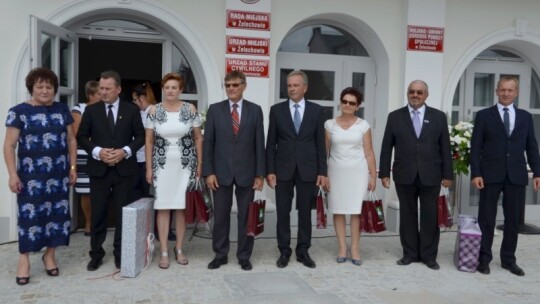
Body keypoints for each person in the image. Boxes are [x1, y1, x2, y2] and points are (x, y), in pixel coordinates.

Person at [3, 67, 77, 285]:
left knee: (58, 217)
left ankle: (50, 255)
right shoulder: (18, 111)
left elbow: (72, 140)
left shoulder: (63, 109)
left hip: (59, 175)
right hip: (30, 177)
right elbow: (9, 145)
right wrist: (12, 175)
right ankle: (24, 260)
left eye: (49, 86)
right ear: (32, 88)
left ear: (54, 89)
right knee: (30, 218)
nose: (45, 90)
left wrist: (73, 168)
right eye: (40, 86)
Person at [379, 80, 453, 270]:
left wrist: (448, 174)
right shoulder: (395, 117)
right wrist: (384, 173)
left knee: (430, 216)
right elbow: (387, 146)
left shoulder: (438, 117)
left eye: (420, 92)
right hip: (405, 174)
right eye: (412, 91)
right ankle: (410, 253)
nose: (415, 95)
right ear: (407, 93)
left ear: (426, 95)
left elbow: (445, 147)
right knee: (407, 215)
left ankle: (429, 256)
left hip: (431, 174)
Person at [470, 76, 540, 276]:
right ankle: (483, 259)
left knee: (513, 220)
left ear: (516, 92)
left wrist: (537, 171)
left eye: (510, 90)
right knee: (486, 219)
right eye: (503, 90)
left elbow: (531, 146)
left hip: (516, 175)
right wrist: (476, 172)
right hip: (490, 174)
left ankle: (508, 259)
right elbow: (476, 147)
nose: (506, 93)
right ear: (496, 91)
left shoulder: (525, 117)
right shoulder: (484, 115)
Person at [77, 70, 145, 271]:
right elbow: (81, 136)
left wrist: (125, 151)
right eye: (101, 88)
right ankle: (96, 254)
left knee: (123, 214)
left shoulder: (131, 110)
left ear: (118, 89)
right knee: (98, 214)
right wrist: (97, 151)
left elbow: (140, 137)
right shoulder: (91, 110)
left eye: (107, 89)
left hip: (124, 171)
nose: (103, 92)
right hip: (99, 170)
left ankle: (120, 254)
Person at [203, 71, 265, 271]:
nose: (231, 88)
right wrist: (209, 172)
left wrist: (259, 174)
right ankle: (220, 254)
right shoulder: (214, 110)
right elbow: (208, 143)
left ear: (244, 86)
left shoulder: (255, 110)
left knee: (246, 217)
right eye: (228, 85)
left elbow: (259, 144)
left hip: (247, 172)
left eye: (235, 85)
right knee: (221, 216)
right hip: (220, 173)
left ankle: (244, 256)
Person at [266, 70, 328, 269]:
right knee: (283, 212)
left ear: (305, 87)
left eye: (295, 85)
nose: (291, 88)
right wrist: (270, 170)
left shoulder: (317, 111)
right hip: (282, 169)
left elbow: (320, 144)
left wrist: (322, 172)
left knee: (304, 213)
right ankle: (284, 250)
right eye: (289, 85)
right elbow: (271, 143)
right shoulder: (276, 110)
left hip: (308, 170)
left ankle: (303, 251)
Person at [145, 72, 202, 269]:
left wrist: (199, 165)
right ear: (163, 89)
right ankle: (163, 251)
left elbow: (197, 138)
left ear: (180, 90)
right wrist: (149, 168)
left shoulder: (190, 108)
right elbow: (149, 141)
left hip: (185, 164)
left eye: (174, 88)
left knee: (180, 207)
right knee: (163, 206)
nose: (170, 91)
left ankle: (179, 248)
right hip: (161, 165)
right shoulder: (154, 110)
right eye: (167, 87)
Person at [324, 87, 376, 266]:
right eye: (344, 101)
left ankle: (354, 248)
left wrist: (373, 176)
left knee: (356, 211)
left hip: (358, 173)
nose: (347, 105)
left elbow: (369, 153)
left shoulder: (364, 125)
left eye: (351, 103)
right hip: (335, 172)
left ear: (358, 106)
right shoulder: (329, 124)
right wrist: (323, 175)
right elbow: (325, 152)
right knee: (338, 209)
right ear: (340, 103)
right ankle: (341, 247)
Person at [71, 80, 101, 236]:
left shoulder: (105, 108)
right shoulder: (79, 109)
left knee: (101, 190)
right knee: (86, 191)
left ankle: (99, 222)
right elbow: (77, 133)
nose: (103, 96)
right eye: (99, 93)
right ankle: (89, 222)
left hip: (103, 154)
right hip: (84, 155)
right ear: (90, 95)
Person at [131, 82, 156, 200]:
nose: (134, 103)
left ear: (142, 98)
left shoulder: (155, 111)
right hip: (138, 158)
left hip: (149, 159)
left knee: (149, 193)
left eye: (135, 100)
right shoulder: (139, 113)